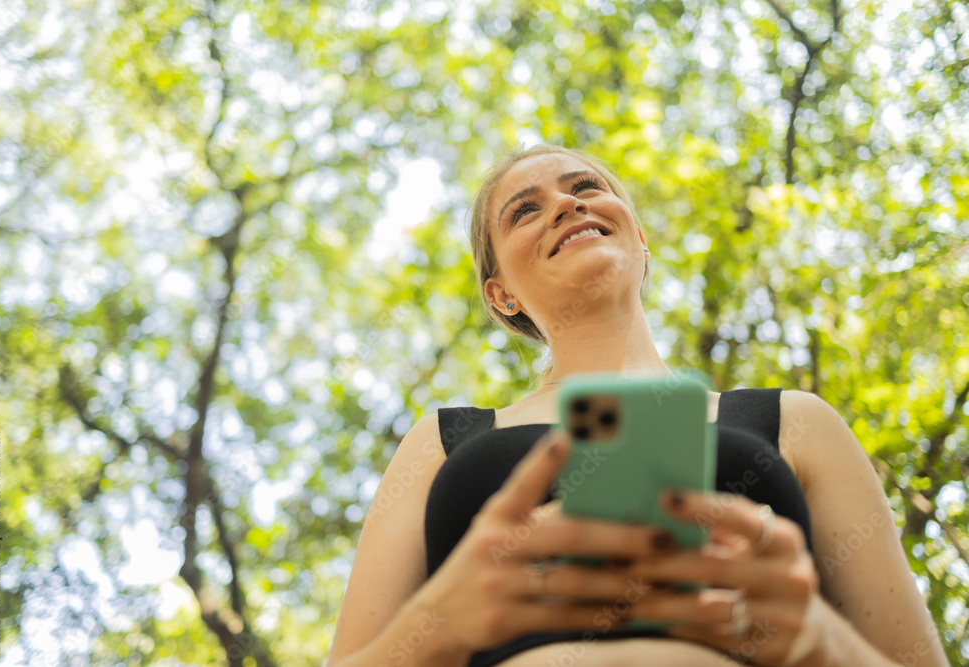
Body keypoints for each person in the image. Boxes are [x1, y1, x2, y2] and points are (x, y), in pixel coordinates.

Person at [326, 145, 949, 666]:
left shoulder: (794, 423)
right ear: (502, 296)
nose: (567, 205)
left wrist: (818, 638)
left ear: (640, 238)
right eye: (524, 211)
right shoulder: (442, 442)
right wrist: (436, 628)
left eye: (586, 187)